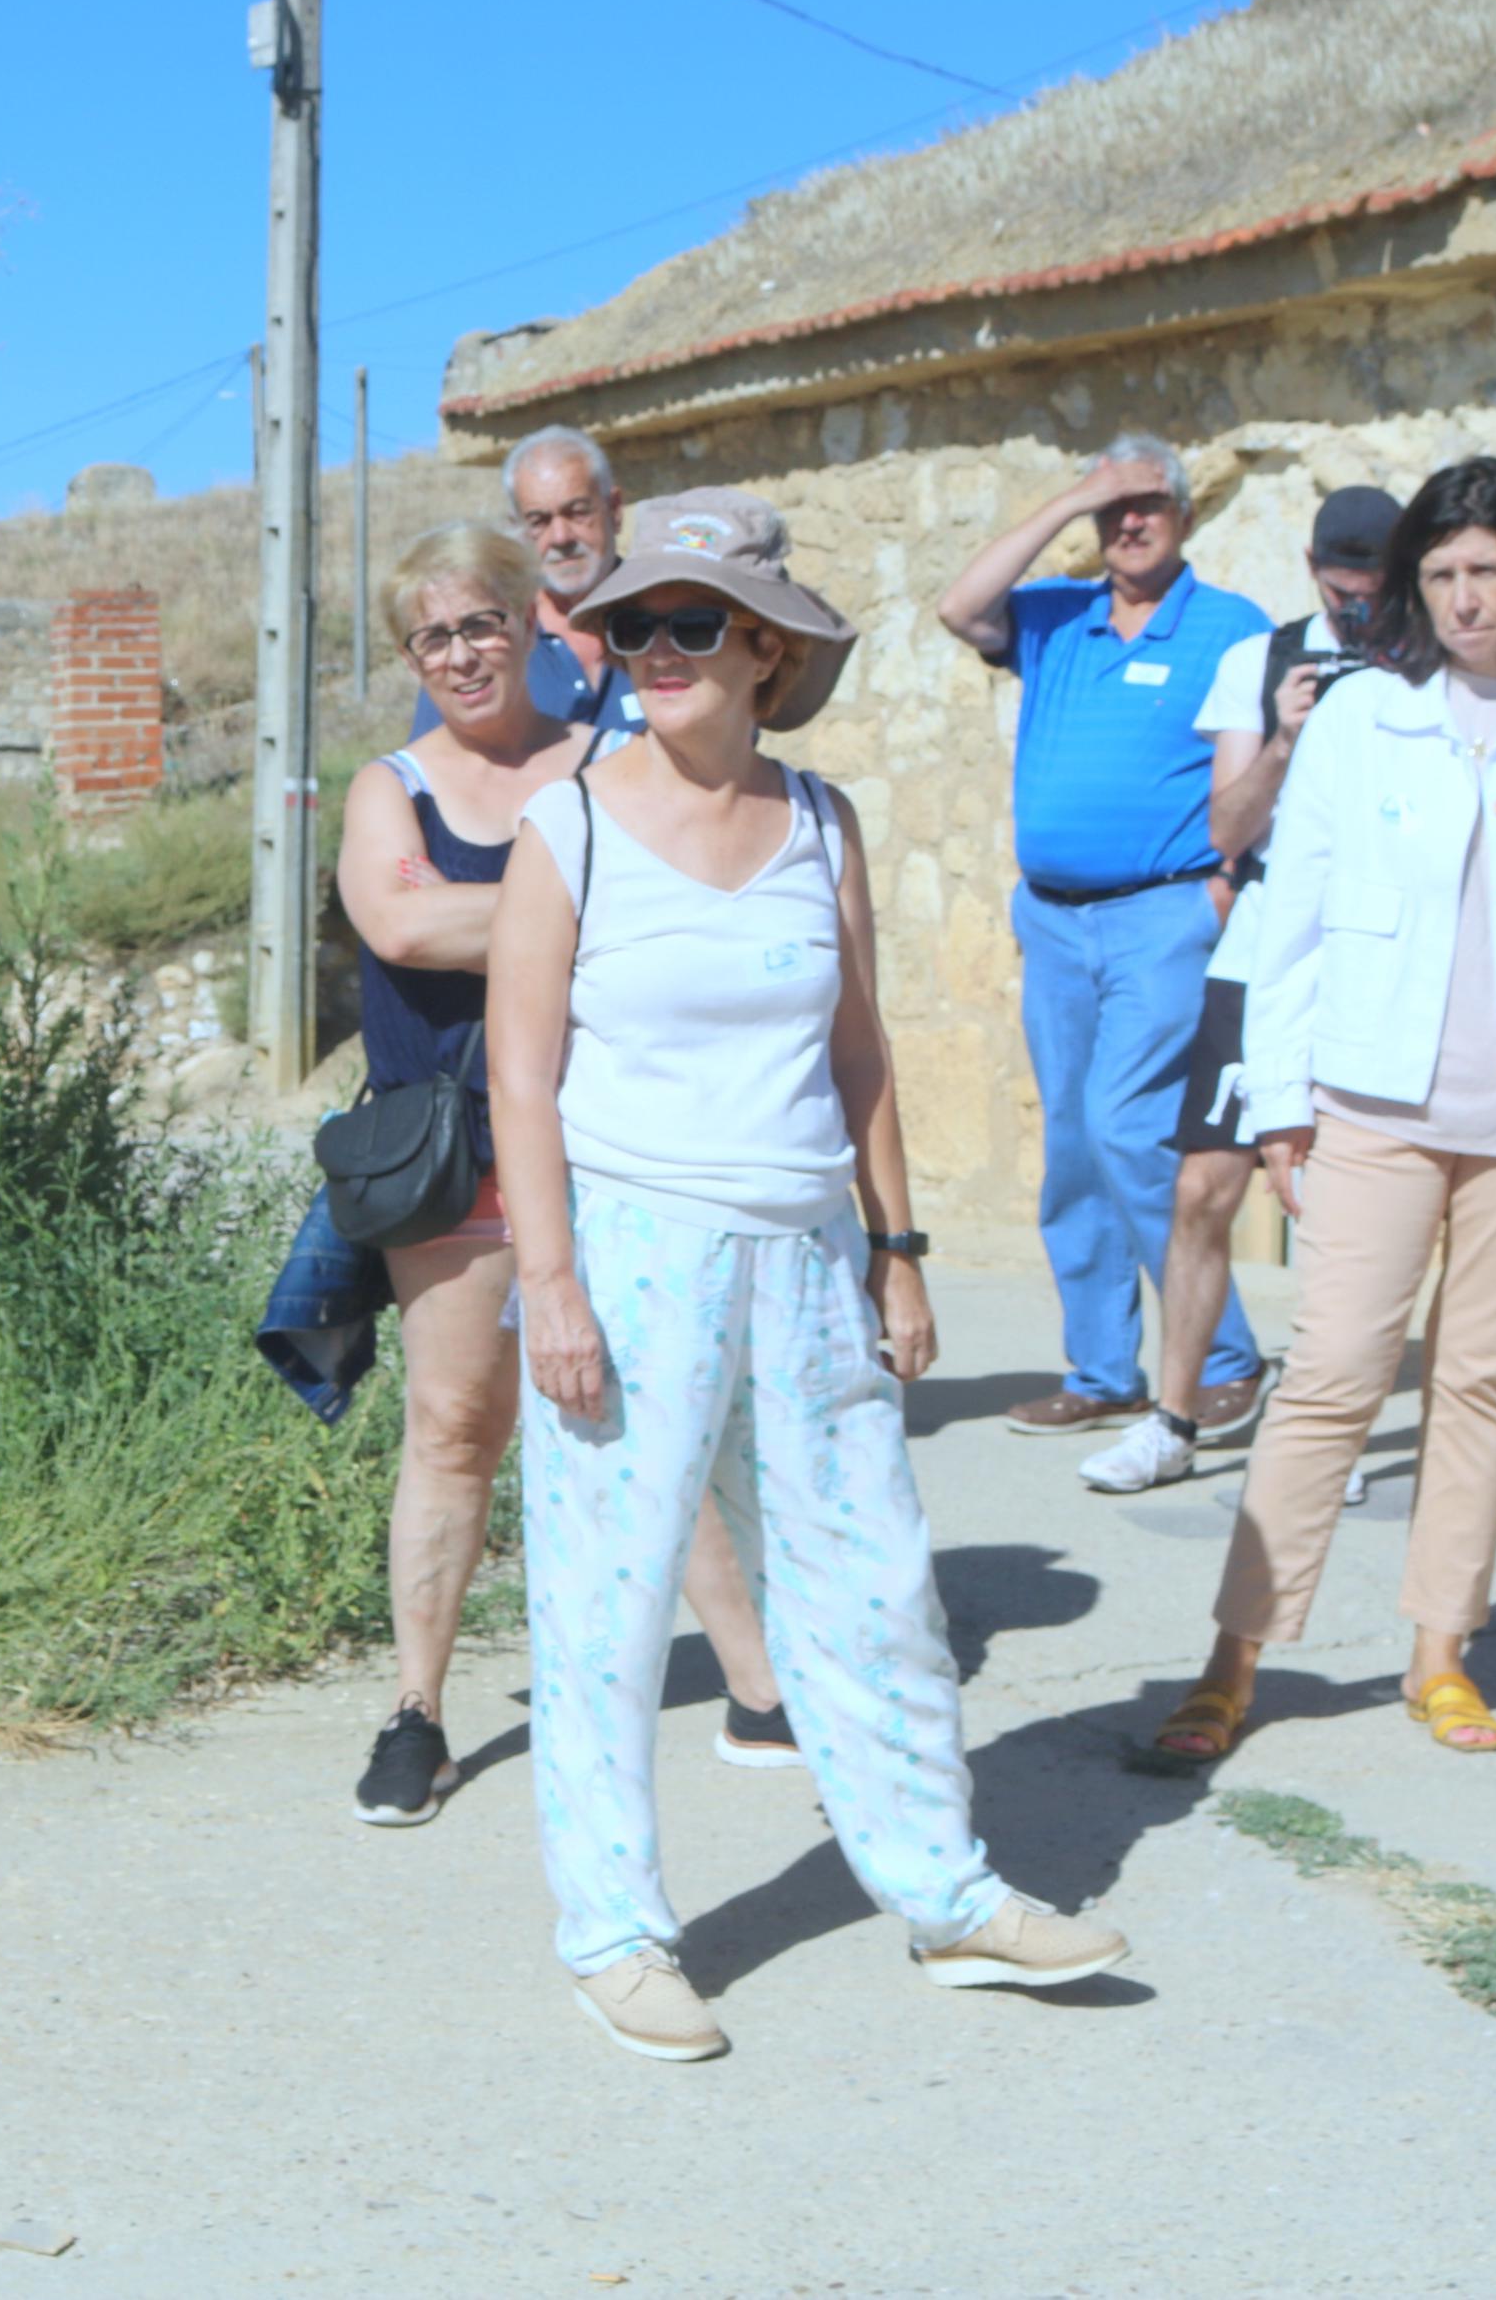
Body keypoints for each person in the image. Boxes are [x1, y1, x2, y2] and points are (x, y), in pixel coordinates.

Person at [491, 490, 1129, 2061]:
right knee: (609, 1602)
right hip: (630, 1245)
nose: (651, 648)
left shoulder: (821, 820)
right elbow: (517, 1079)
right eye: (631, 623)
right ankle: (617, 1934)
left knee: (872, 1581)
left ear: (764, 650)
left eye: (688, 622)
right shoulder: (564, 825)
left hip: (807, 1250)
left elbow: (856, 1051)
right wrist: (550, 1282)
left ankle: (945, 1888)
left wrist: (895, 1250)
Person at [1149, 457, 1496, 1763]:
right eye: (1439, 574)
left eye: (1484, 571)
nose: (1461, 599)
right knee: (1332, 1372)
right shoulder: (1355, 721)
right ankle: (1231, 1654)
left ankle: (1437, 1652)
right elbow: (1284, 919)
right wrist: (1277, 1103)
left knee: (1478, 1377)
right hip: (1369, 1099)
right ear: (1411, 588)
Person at [336, 524, 798, 1825]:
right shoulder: (391, 787)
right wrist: (591, 898)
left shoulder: (609, 760)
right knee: (453, 1424)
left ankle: (758, 1686)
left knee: (659, 1413)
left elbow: (470, 916)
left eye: (480, 620)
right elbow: (397, 918)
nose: (460, 651)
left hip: (617, 1132)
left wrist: (527, 905)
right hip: (452, 1146)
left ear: (533, 624)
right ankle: (414, 1711)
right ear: (408, 656)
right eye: (431, 634)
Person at [935, 433, 1273, 1435]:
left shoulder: (1227, 627)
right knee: (1075, 1145)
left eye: (1149, 505)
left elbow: (1267, 767)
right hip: (1051, 918)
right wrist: (1069, 497)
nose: (1129, 524)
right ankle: (1100, 1370)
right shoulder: (1056, 617)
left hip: (1162, 913)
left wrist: (1223, 883)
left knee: (1132, 1127)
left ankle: (1222, 1355)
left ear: (1182, 516)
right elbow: (959, 607)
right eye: (1111, 509)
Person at [1082, 485, 1402, 1495]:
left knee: (1343, 1203)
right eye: (1337, 588)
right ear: (1310, 566)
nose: (1353, 608)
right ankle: (1171, 1420)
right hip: (1265, 946)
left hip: (1374, 949)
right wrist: (1284, 737)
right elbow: (1223, 830)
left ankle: (1323, 1432)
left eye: (1370, 591)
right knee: (1200, 1187)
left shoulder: (1431, 666)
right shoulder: (1258, 660)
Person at [409, 423, 648, 741]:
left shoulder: (669, 624)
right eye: (539, 522)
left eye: (578, 513)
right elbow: (432, 773)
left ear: (615, 510)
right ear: (516, 530)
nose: (561, 537)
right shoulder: (484, 641)